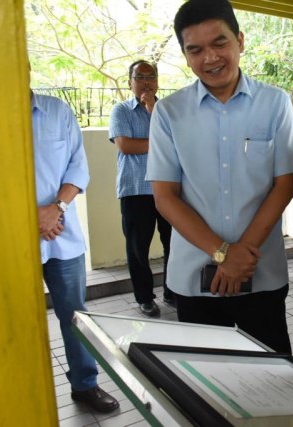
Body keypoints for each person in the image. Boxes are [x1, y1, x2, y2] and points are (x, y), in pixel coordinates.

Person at [146, 0, 293, 354]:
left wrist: (239, 258)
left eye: (220, 43)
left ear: (240, 41)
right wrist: (222, 254)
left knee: (273, 379)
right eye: (196, 49)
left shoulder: (275, 103)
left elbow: (283, 187)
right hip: (194, 279)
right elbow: (165, 197)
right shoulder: (169, 113)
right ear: (186, 55)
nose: (210, 58)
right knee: (207, 385)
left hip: (262, 274)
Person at [31, 90, 119, 413]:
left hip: (61, 235)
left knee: (75, 315)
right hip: (11, 240)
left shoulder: (57, 112)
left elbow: (78, 168)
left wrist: (55, 208)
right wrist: (31, 218)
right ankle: (24, 392)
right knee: (20, 320)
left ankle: (85, 385)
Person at [109, 60, 173, 317]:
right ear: (130, 82)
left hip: (169, 188)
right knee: (138, 248)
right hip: (135, 189)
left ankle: (172, 292)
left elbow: (178, 143)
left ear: (157, 81)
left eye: (151, 77)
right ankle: (145, 297)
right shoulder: (121, 110)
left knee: (174, 244)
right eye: (140, 77)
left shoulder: (167, 110)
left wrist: (153, 110)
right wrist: (160, 142)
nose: (146, 82)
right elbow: (126, 146)